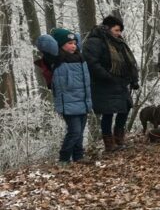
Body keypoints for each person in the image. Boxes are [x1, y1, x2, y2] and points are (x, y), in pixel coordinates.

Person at [83, 16, 139, 152]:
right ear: (107, 28)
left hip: (120, 82)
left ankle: (119, 139)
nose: (119, 33)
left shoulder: (118, 42)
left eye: (120, 31)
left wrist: (133, 79)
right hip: (104, 84)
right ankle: (109, 144)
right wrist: (107, 76)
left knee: (125, 109)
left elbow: (128, 62)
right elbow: (92, 63)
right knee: (108, 113)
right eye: (117, 30)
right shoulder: (94, 42)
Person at [36, 28, 93, 164]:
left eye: (74, 43)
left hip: (83, 101)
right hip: (68, 102)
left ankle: (78, 157)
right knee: (74, 132)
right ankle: (64, 158)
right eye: (69, 43)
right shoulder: (56, 59)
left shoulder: (80, 57)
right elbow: (44, 43)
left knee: (79, 133)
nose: (73, 45)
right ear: (60, 45)